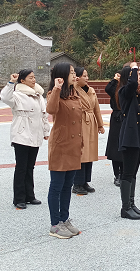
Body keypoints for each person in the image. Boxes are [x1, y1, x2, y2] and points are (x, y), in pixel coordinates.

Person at [0, 70, 50, 210]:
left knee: (30, 166)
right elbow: (5, 97)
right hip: (21, 134)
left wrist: (46, 131)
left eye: (34, 77)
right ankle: (19, 198)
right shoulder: (17, 95)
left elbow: (43, 116)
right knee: (21, 167)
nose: (34, 80)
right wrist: (11, 83)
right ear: (22, 81)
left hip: (36, 133)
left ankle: (30, 195)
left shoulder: (38, 95)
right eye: (30, 78)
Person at [46, 63, 83, 239]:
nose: (75, 75)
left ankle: (64, 218)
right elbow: (51, 110)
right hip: (61, 146)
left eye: (75, 72)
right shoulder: (54, 94)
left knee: (68, 186)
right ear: (62, 75)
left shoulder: (74, 94)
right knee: (57, 186)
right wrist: (57, 88)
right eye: (71, 73)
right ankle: (55, 224)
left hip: (73, 145)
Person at [117, 63, 140, 219]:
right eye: (136, 76)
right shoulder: (124, 91)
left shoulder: (137, 95)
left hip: (137, 136)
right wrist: (134, 68)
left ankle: (131, 204)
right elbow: (132, 84)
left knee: (133, 172)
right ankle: (125, 208)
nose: (139, 79)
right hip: (129, 137)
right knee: (127, 172)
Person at [72, 67, 105, 195]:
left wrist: (100, 125)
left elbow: (96, 108)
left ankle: (85, 181)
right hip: (79, 123)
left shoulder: (91, 90)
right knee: (81, 153)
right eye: (84, 76)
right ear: (77, 77)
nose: (87, 78)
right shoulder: (73, 89)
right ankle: (77, 183)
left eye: (87, 75)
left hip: (91, 122)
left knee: (90, 152)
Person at [105, 72, 123, 186]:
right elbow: (108, 89)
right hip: (117, 118)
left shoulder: (128, 87)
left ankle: (124, 173)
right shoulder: (115, 87)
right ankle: (117, 174)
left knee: (126, 147)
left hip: (127, 118)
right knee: (115, 148)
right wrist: (115, 80)